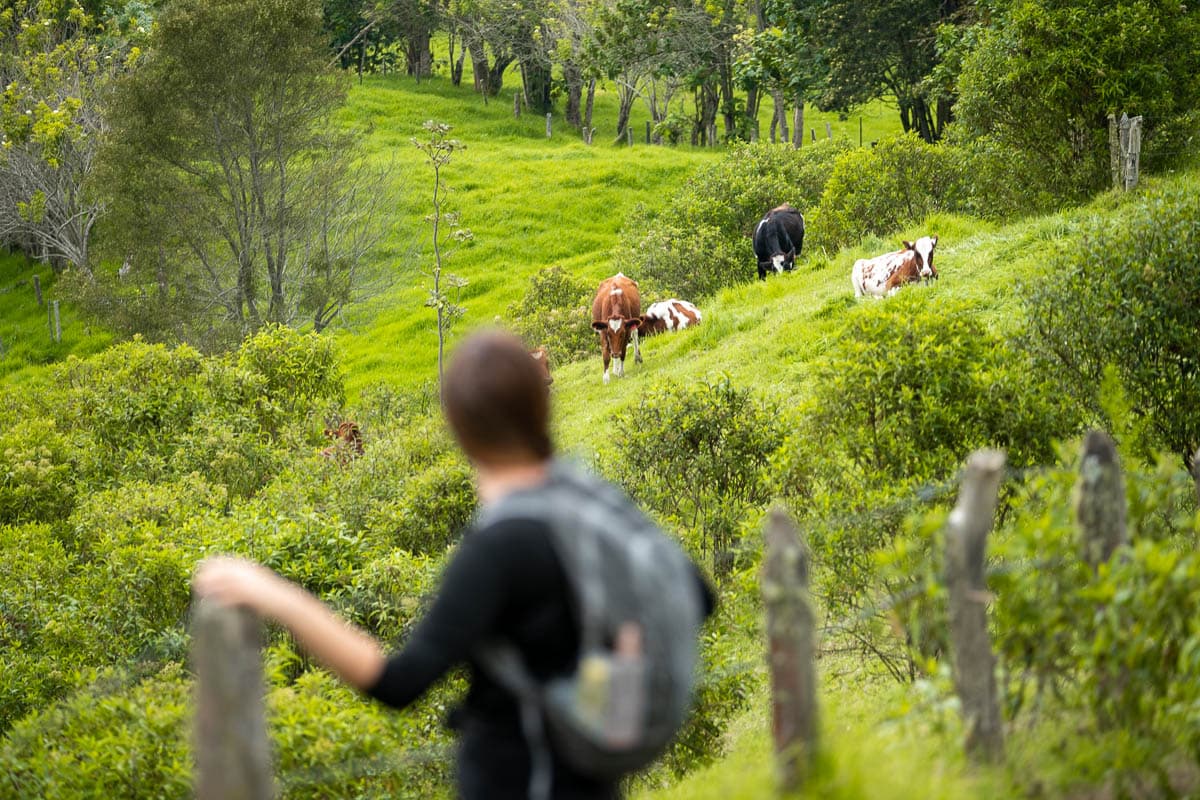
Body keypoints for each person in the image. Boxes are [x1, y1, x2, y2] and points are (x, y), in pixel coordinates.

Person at [193, 329, 716, 800]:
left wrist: (274, 594)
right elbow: (695, 594)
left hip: (517, 781)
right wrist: (604, 696)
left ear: (460, 430)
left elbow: (398, 682)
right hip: (592, 782)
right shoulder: (592, 498)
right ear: (542, 406)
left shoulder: (499, 547)